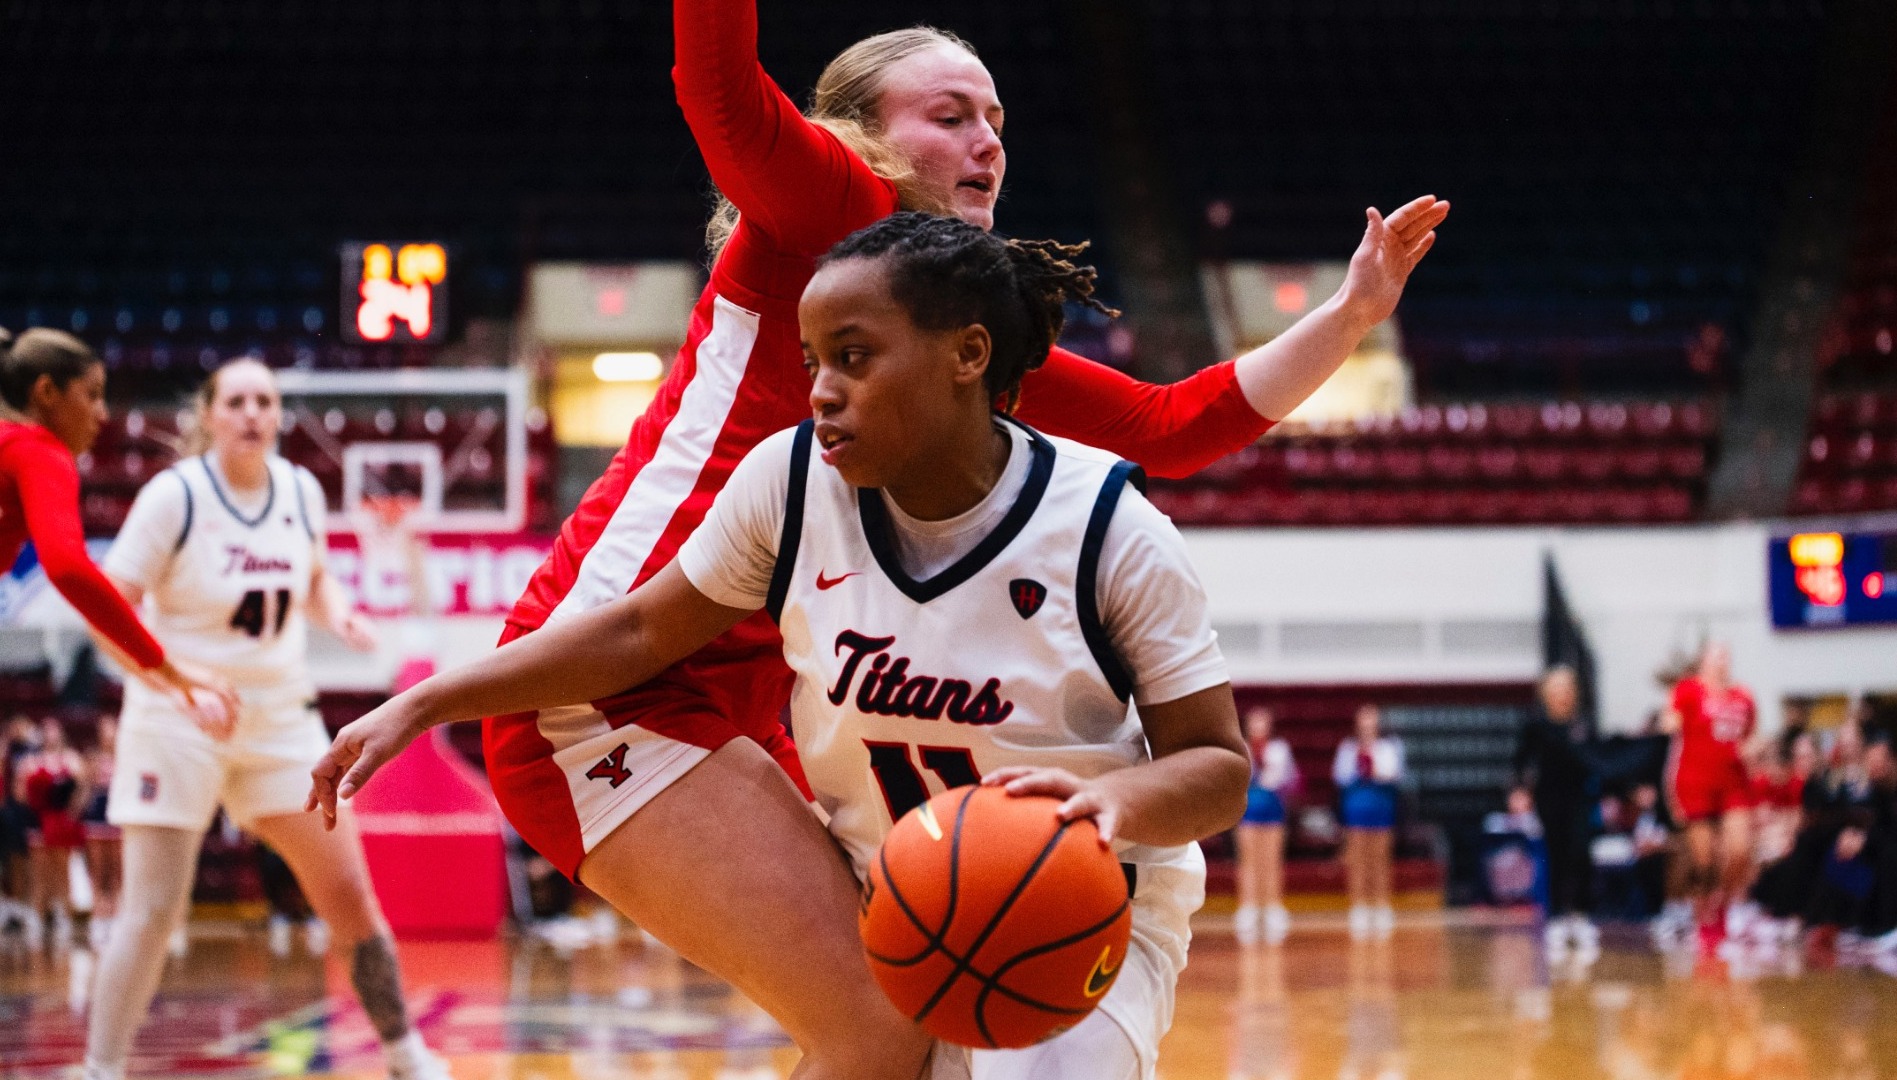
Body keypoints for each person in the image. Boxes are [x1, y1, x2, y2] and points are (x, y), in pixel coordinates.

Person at [462, 3, 1448, 1076]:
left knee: (914, 1033)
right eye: (951, 115)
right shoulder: (833, 207)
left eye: (997, 119)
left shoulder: (944, 330)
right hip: (601, 685)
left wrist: (1350, 317)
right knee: (887, 1029)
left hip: (735, 686)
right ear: (859, 139)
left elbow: (1173, 426)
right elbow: (717, 88)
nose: (987, 142)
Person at [314, 213, 1261, 1080]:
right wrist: (425, 700)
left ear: (967, 354)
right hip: (887, 886)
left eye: (853, 358)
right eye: (812, 360)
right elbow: (642, 629)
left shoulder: (1108, 530)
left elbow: (1216, 766)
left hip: (1084, 902)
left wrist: (1105, 802)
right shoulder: (790, 482)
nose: (820, 391)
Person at [83, 358, 449, 1080]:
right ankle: (99, 1069)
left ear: (278, 415)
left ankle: (406, 1055)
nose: (252, 412)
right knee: (151, 912)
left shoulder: (300, 491)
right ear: (209, 414)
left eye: (265, 401)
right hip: (177, 716)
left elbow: (309, 577)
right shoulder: (174, 497)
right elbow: (107, 612)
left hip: (279, 717)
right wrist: (177, 681)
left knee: (349, 896)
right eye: (237, 400)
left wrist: (337, 611)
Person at [0, 329, 235, 727]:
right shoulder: (39, 450)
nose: (103, 413)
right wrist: (168, 668)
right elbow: (69, 569)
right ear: (46, 392)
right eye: (91, 394)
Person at [1662, 641, 1756, 947]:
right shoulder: (1688, 690)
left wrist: (1753, 750)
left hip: (1733, 783)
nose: (1722, 662)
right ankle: (1704, 913)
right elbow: (1670, 727)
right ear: (1703, 661)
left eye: (1726, 657)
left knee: (1739, 851)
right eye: (1716, 656)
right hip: (1695, 782)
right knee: (1705, 861)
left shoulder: (1743, 697)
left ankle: (1724, 905)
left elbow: (1751, 738)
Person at [1511, 666, 1600, 960]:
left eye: (1567, 688)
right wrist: (1520, 790)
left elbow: (1599, 759)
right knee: (1556, 854)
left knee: (1581, 852)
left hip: (1579, 798)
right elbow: (1521, 760)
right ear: (1547, 692)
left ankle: (1581, 916)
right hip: (1549, 799)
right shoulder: (1536, 724)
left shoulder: (1583, 724)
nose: (1562, 694)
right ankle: (1557, 918)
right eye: (1556, 688)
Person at [1334, 704, 1404, 940]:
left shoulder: (1389, 746)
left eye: (1371, 718)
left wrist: (1377, 769)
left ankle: (1381, 906)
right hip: (1356, 811)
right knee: (1358, 861)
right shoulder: (1348, 748)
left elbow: (1396, 774)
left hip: (1381, 810)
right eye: (1363, 719)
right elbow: (1340, 776)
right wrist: (1358, 767)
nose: (1367, 724)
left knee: (1380, 860)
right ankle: (1360, 907)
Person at [18, 717, 88, 947]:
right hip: (38, 820)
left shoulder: (71, 759)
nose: (49, 734)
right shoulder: (30, 760)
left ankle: (64, 916)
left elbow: (83, 788)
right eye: (45, 730)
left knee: (62, 870)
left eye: (53, 729)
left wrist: (72, 812)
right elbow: (19, 793)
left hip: (60, 820)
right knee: (39, 872)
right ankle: (38, 917)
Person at [1235, 706, 1299, 944]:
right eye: (1254, 722)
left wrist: (1270, 771)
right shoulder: (1242, 747)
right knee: (1249, 862)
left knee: (1271, 861)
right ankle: (1248, 911)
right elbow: (1239, 776)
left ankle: (1272, 910)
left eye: (1263, 722)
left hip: (1273, 811)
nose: (1258, 726)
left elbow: (1286, 777)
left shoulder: (1280, 749)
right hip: (1248, 811)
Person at [81, 716, 121, 949]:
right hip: (97, 813)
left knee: (116, 873)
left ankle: (115, 922)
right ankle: (99, 921)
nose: (109, 734)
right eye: (105, 729)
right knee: (98, 873)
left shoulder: (126, 756)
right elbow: (84, 790)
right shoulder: (93, 758)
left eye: (112, 729)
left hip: (117, 813)